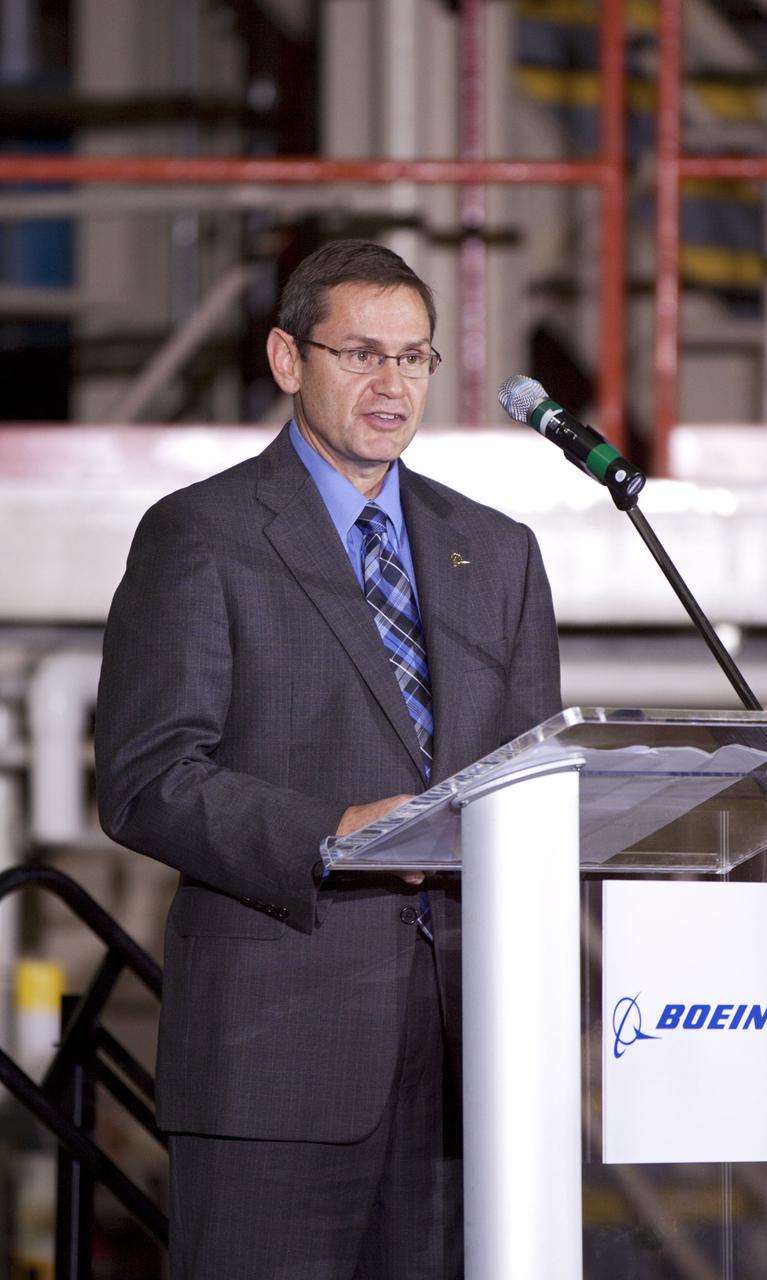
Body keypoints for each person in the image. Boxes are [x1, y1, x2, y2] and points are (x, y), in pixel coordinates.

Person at [94, 238, 561, 1280]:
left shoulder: (497, 551)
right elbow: (146, 777)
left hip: (470, 1062)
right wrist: (333, 834)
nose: (391, 384)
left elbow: (532, 776)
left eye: (413, 357)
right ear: (286, 358)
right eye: (359, 354)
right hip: (277, 1049)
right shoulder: (201, 534)